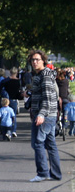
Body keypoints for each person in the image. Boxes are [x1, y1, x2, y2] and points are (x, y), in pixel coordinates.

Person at [26, 50, 61, 182]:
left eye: (37, 60)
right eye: (33, 60)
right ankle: (56, 174)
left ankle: (42, 173)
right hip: (49, 114)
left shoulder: (45, 75)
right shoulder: (43, 75)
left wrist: (41, 114)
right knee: (51, 144)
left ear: (43, 61)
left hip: (45, 115)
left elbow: (47, 98)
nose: (35, 62)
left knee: (38, 143)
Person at [1, 68, 22, 137]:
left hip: (6, 100)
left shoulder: (5, 81)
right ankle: (13, 130)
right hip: (14, 100)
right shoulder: (18, 81)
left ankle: (6, 130)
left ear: (10, 72)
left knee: (4, 115)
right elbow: (19, 91)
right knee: (13, 116)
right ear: (17, 73)